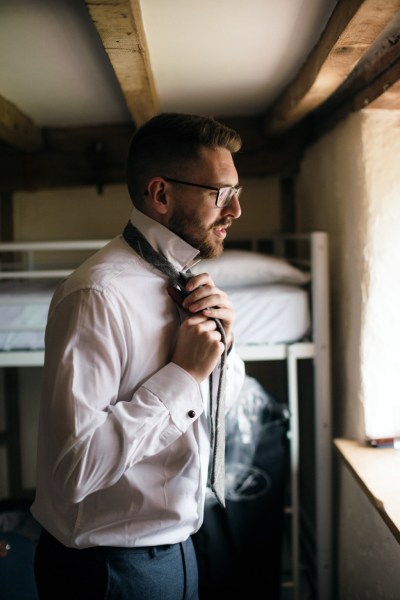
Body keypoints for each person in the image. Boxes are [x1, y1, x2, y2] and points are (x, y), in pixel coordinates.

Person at [31, 112, 245, 600]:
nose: (235, 211)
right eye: (221, 195)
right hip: (107, 568)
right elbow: (73, 472)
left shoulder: (190, 284)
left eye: (236, 192)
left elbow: (214, 411)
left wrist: (222, 353)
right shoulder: (96, 295)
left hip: (179, 549)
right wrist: (182, 376)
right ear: (162, 195)